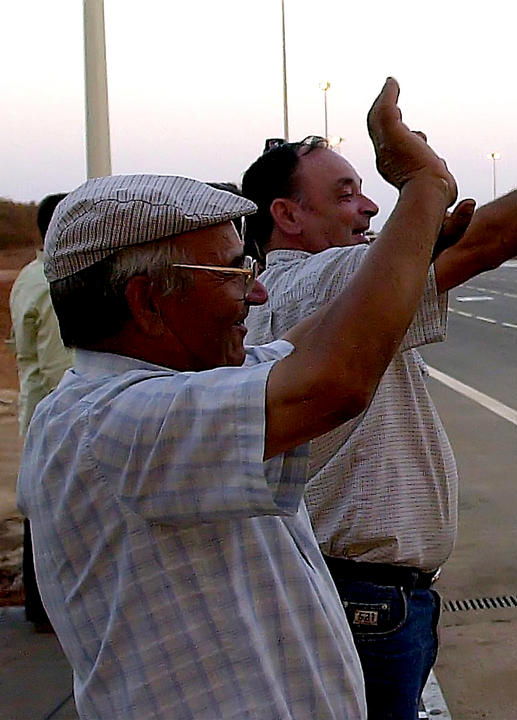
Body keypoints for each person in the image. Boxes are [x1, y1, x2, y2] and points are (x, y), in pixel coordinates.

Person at [16, 77, 458, 719]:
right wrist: (424, 189)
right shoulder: (111, 426)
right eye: (232, 272)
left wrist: (411, 246)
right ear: (146, 302)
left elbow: (314, 346)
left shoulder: (162, 394)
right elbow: (334, 380)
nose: (257, 295)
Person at [242, 62, 517, 719]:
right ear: (287, 214)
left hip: (369, 595)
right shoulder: (320, 282)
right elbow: (485, 241)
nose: (370, 205)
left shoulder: (293, 289)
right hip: (363, 600)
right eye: (346, 194)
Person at [8, 192, 74, 632]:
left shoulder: (28, 277)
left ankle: (40, 606)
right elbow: (58, 363)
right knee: (57, 514)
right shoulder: (54, 281)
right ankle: (48, 609)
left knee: (41, 512)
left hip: (34, 410)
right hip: (54, 409)